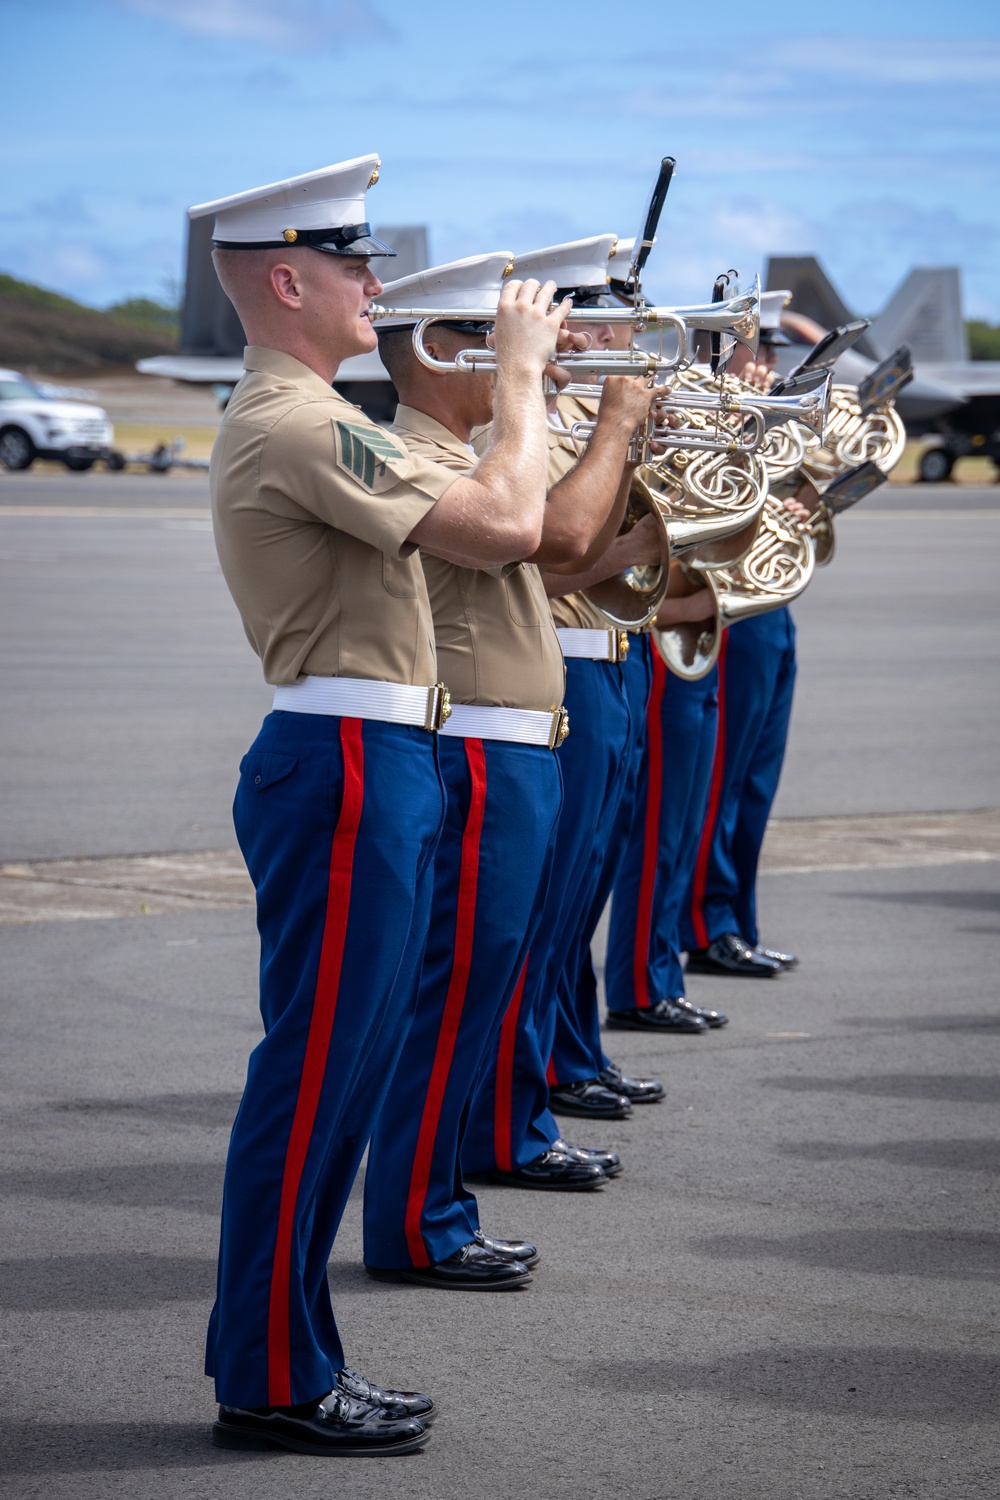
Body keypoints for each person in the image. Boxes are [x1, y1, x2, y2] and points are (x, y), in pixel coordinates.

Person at [197, 156, 572, 1456]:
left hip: (378, 763)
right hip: (347, 765)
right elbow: (514, 524)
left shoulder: (315, 411)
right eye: (352, 263)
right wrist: (519, 374)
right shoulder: (302, 420)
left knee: (344, 1074)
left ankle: (285, 1360)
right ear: (289, 279)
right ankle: (272, 1373)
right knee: (314, 1080)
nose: (377, 281)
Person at [361, 250, 658, 1286]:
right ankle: (418, 1219)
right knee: (453, 1001)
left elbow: (582, 559)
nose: (519, 358)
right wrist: (607, 420)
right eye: (493, 342)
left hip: (516, 741)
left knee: (484, 988)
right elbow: (558, 535)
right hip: (479, 746)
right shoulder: (445, 463)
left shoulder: (480, 454)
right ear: (444, 352)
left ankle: (437, 1201)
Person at [459, 236, 666, 1184]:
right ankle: (510, 1121)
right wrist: (624, 444)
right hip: (559, 667)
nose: (629, 333)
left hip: (597, 660)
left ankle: (539, 1089)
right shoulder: (521, 419)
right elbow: (568, 545)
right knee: (533, 926)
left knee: (567, 909)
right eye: (611, 315)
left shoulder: (561, 411)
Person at [682, 291, 800, 979]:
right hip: (725, 611)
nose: (773, 361)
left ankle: (737, 920)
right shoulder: (702, 413)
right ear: (721, 347)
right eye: (763, 345)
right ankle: (707, 924)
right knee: (717, 787)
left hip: (767, 604)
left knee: (753, 784)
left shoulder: (750, 413)